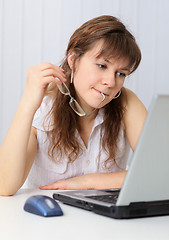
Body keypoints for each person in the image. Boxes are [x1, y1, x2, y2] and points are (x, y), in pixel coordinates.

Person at [0, 15, 147, 196]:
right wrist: (27, 104)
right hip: (48, 220)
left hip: (107, 222)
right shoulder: (43, 106)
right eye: (102, 65)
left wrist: (88, 182)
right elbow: (4, 186)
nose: (110, 81)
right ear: (73, 59)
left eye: (121, 74)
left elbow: (160, 173)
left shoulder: (126, 101)